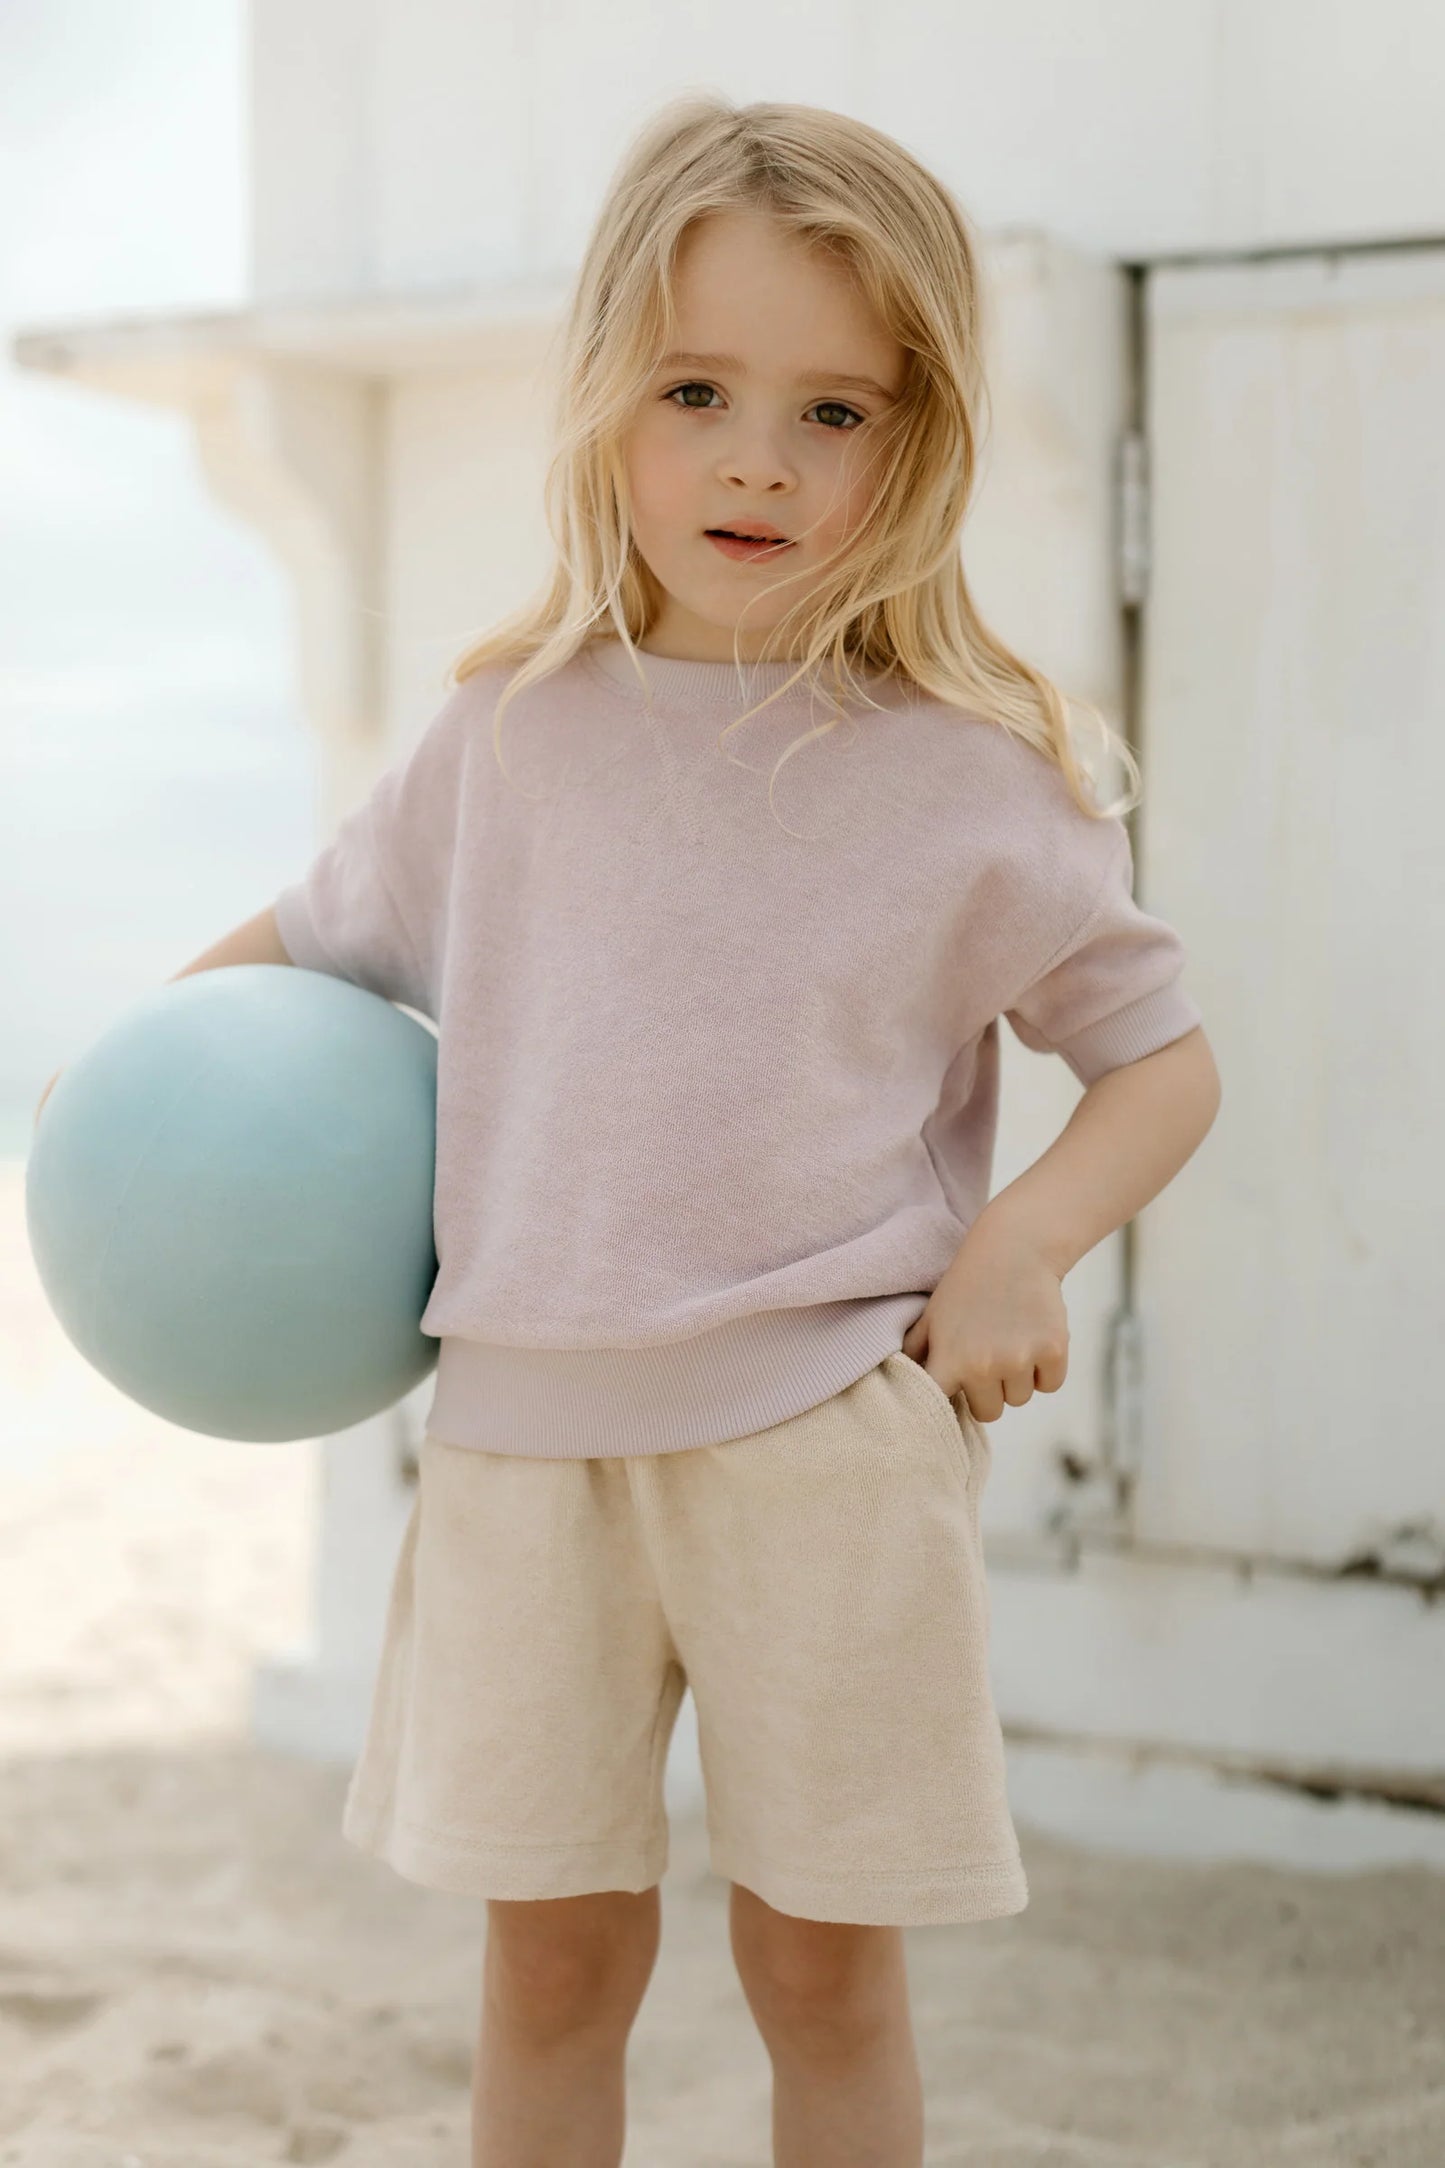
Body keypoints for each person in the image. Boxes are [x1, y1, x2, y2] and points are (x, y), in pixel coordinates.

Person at [44, 96, 1221, 2168]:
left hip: (822, 1451)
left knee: (822, 1974)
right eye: (697, 389)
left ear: (918, 433)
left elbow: (1158, 1058)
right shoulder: (505, 734)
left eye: (832, 409)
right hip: (521, 1453)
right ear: (609, 400)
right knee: (554, 1968)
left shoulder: (977, 774)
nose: (759, 458)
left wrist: (1022, 1241)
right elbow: (308, 957)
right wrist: (107, 1093)